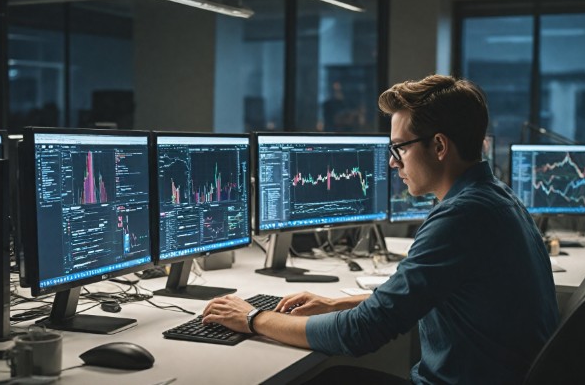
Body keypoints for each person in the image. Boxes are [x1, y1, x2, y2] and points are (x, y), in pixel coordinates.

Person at [202, 74, 559, 384]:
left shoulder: (461, 218)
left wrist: (252, 318)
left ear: (438, 146)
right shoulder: (495, 198)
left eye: (399, 148)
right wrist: (334, 302)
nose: (391, 162)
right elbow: (412, 297)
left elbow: (361, 333)